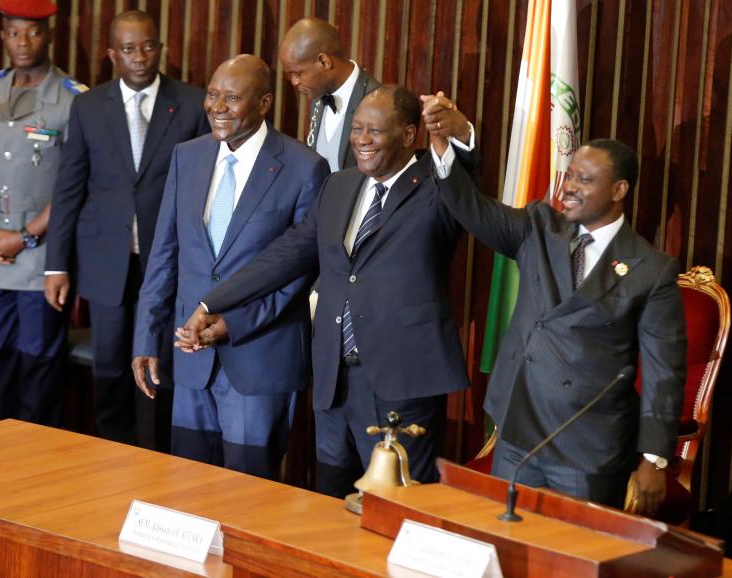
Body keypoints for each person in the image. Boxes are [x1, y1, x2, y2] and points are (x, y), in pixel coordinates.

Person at [183, 85, 475, 497]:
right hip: (336, 379)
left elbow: (462, 172)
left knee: (402, 504)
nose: (361, 139)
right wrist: (212, 301)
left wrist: (459, 133)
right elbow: (287, 254)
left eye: (374, 130)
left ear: (409, 136)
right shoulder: (340, 185)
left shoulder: (438, 187)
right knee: (330, 499)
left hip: (402, 380)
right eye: (357, 129)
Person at [431, 122, 686, 516]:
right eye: (569, 175)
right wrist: (444, 144)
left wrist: (654, 459)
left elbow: (662, 371)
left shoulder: (650, 269)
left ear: (619, 191)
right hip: (520, 431)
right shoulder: (539, 227)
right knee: (503, 547)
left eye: (584, 180)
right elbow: (472, 208)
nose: (568, 187)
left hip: (588, 445)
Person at [131, 55, 329, 479]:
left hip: (259, 357)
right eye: (213, 94)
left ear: (264, 103)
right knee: (187, 487)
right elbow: (164, 254)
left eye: (232, 97)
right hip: (190, 356)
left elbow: (298, 271)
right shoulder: (187, 156)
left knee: (249, 491)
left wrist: (233, 323)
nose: (217, 107)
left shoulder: (304, 167)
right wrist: (147, 335)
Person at [44, 10, 208, 451]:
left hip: (168, 262)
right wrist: (55, 265)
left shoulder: (192, 103)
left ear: (161, 47)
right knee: (111, 364)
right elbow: (69, 186)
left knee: (161, 364)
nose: (141, 57)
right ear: (112, 54)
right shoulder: (88, 105)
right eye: (130, 49)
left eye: (149, 46)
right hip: (106, 261)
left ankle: (155, 456)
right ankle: (112, 455)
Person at [0, 0, 85, 426]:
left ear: (49, 35)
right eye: (14, 32)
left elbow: (73, 186)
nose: (23, 42)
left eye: (32, 32)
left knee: (38, 371)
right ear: (2, 36)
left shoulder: (72, 100)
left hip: (40, 258)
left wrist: (27, 237)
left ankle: (33, 473)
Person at [278, 17, 380, 172]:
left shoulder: (376, 102)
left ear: (324, 62)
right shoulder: (317, 94)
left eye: (298, 73)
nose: (294, 82)